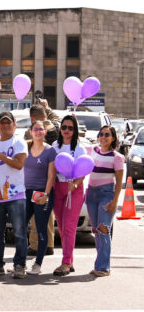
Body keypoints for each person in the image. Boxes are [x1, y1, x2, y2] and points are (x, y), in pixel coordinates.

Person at [0, 111, 29, 279]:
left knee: (19, 232)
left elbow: (18, 164)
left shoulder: (19, 142)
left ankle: (19, 265)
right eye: (2, 122)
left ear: (14, 124)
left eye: (8, 122)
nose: (5, 125)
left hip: (16, 195)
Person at [85, 125, 125, 277]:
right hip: (91, 194)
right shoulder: (92, 150)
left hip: (106, 194)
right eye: (101, 134)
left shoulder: (117, 157)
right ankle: (99, 265)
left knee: (103, 229)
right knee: (96, 230)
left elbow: (120, 182)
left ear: (113, 138)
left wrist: (115, 201)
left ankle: (103, 267)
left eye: (107, 134)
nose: (103, 137)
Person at [51, 114, 88, 276]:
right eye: (64, 127)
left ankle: (66, 262)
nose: (66, 130)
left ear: (75, 131)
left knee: (69, 227)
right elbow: (51, 168)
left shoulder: (79, 148)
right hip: (57, 187)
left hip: (74, 189)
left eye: (70, 128)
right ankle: (69, 260)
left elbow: (83, 170)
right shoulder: (54, 146)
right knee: (61, 225)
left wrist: (75, 184)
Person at [24, 100, 60, 257]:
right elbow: (57, 119)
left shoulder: (31, 132)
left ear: (32, 118)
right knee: (47, 212)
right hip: (52, 177)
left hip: (37, 177)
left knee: (34, 215)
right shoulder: (55, 128)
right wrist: (48, 108)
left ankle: (36, 245)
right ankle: (49, 244)